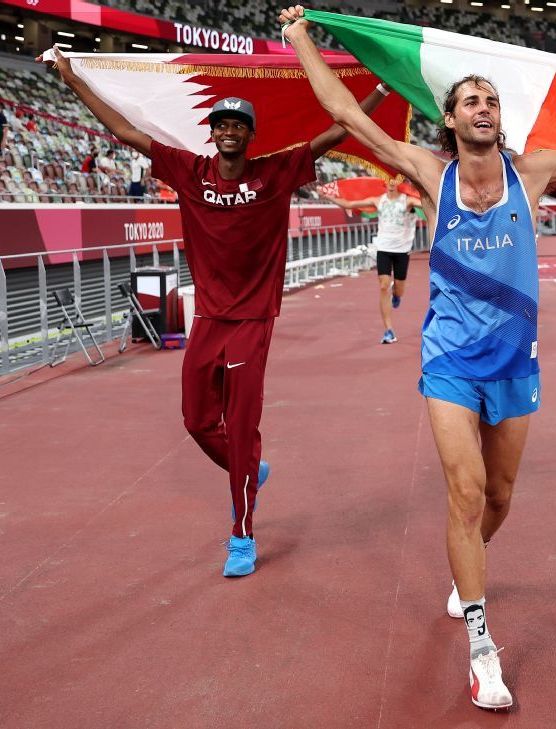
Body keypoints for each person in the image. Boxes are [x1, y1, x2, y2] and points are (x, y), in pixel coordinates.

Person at [282, 5, 556, 711]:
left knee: (499, 498)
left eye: (492, 101)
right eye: (472, 100)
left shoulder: (531, 173)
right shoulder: (428, 171)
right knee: (466, 491)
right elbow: (347, 113)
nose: (486, 107)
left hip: (515, 360)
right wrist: (300, 40)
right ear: (448, 119)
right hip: (449, 356)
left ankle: (467, 561)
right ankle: (482, 645)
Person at [44, 44, 390, 578]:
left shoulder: (276, 172)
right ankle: (250, 471)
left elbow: (335, 133)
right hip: (207, 318)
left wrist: (384, 90)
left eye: (238, 124)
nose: (229, 130)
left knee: (242, 423)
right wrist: (72, 80)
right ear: (212, 132)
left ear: (250, 135)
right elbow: (126, 134)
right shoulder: (188, 170)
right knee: (197, 421)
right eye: (221, 123)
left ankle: (242, 535)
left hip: (254, 321)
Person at [326, 175, 420, 343]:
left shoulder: (408, 202)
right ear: (384, 182)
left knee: (399, 290)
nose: (391, 183)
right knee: (384, 287)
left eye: (395, 180)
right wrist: (326, 195)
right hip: (383, 249)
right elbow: (349, 204)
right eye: (388, 180)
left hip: (402, 251)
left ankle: (397, 295)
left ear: (400, 183)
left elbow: (425, 204)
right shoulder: (378, 201)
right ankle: (388, 330)